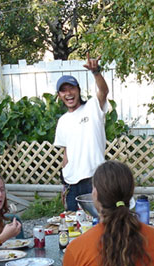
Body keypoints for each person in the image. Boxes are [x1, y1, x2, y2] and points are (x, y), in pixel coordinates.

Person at [53, 54, 110, 211]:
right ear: (59, 95)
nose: (68, 93)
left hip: (94, 179)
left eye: (71, 88)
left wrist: (96, 72)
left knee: (99, 220)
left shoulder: (93, 107)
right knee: (72, 222)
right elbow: (66, 154)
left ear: (78, 90)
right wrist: (64, 184)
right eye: (63, 90)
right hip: (71, 184)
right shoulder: (62, 121)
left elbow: (104, 91)